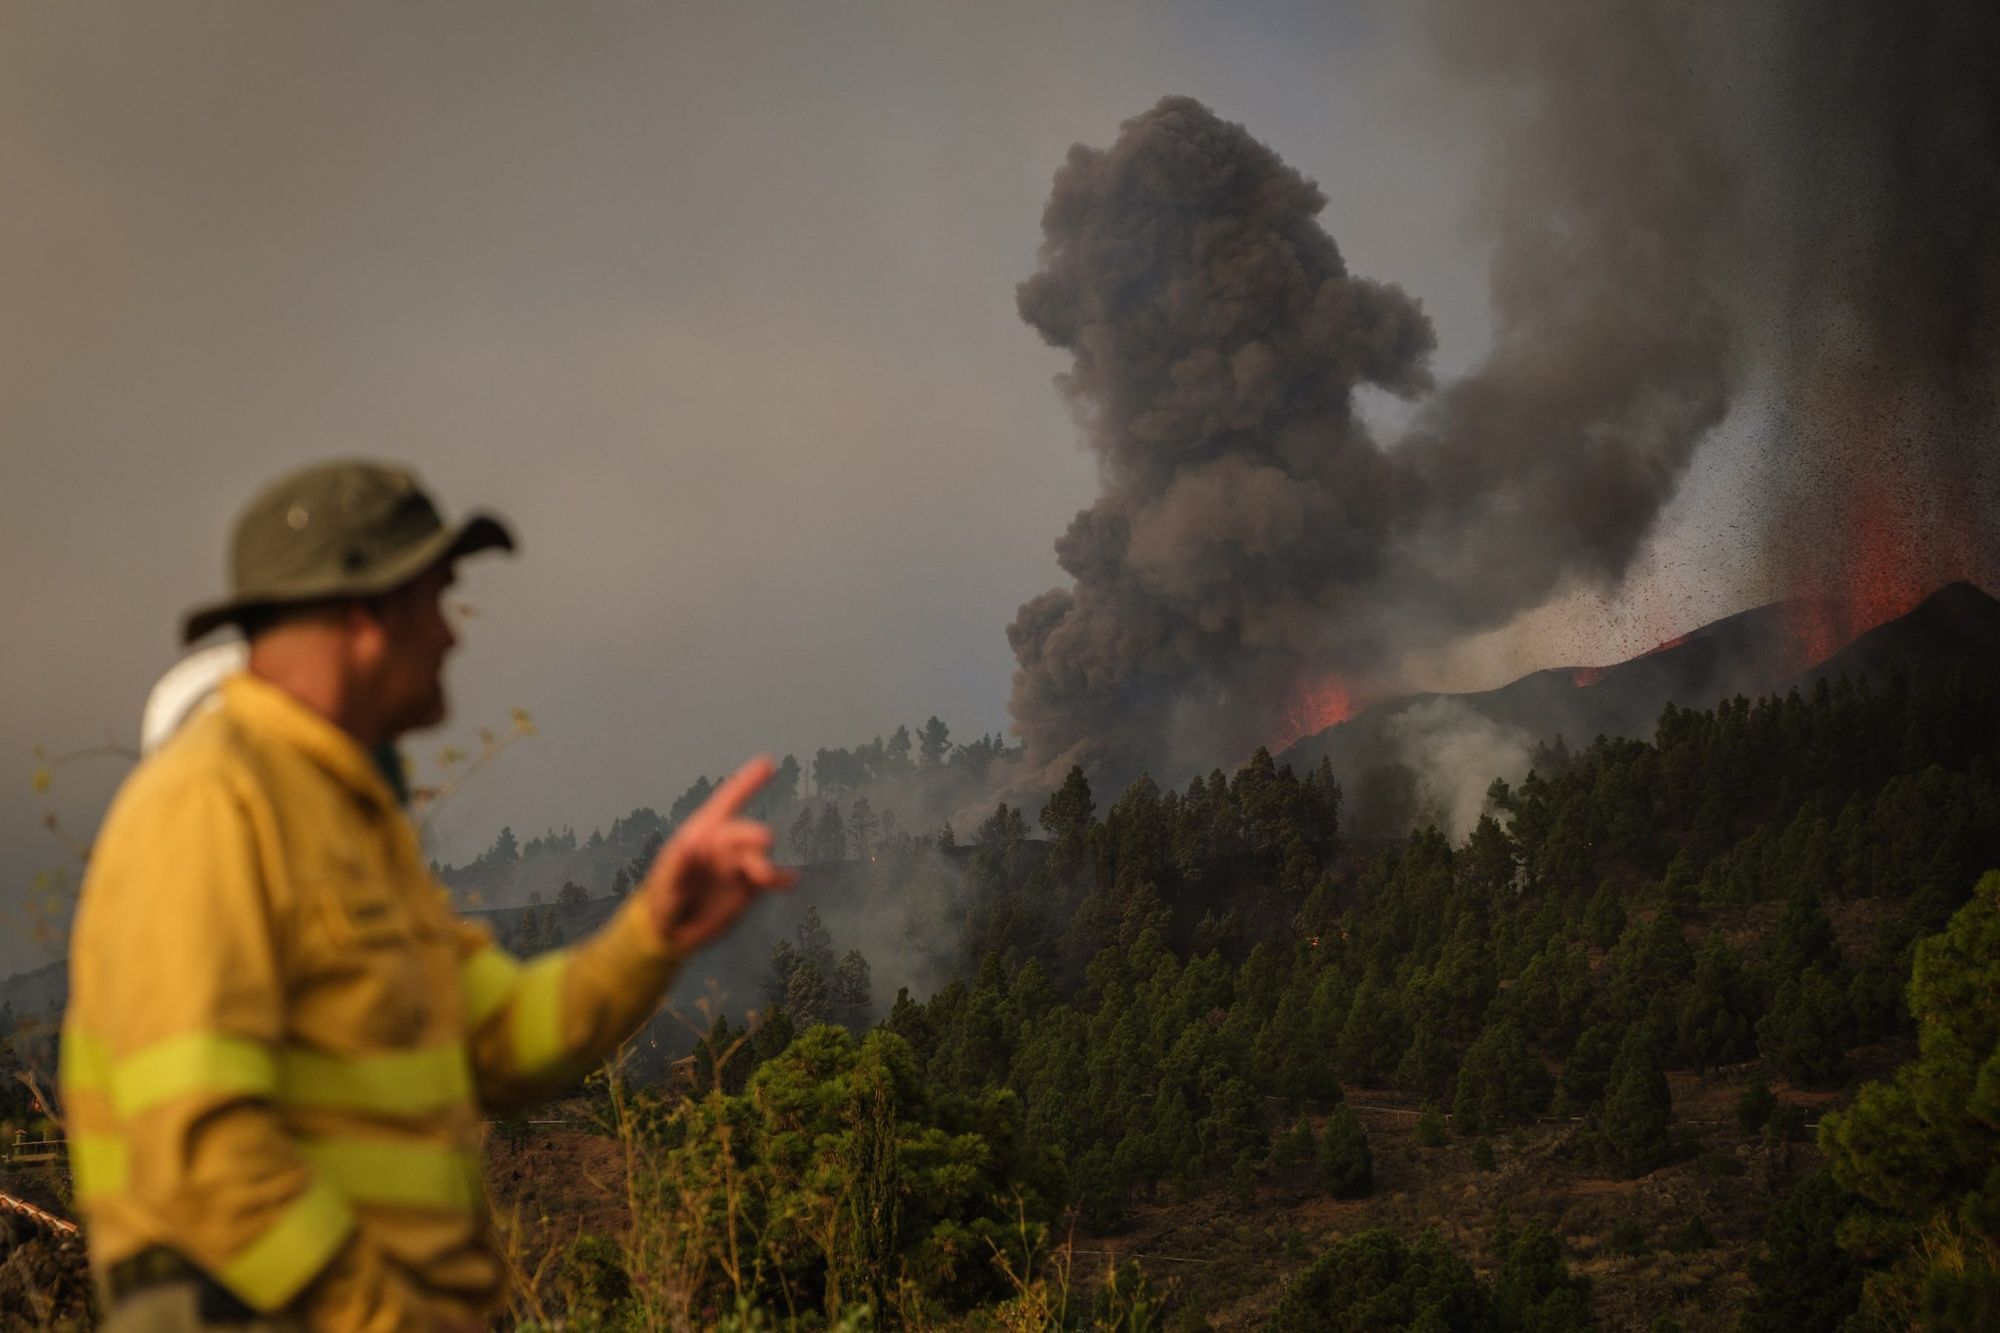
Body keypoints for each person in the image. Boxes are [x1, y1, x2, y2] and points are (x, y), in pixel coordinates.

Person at [60, 460, 794, 1330]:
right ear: (368, 613)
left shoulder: (347, 830)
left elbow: (501, 1038)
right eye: (438, 601)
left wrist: (653, 931)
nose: (453, 636)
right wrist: (377, 1312)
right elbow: (196, 1141)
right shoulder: (211, 803)